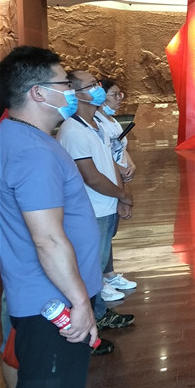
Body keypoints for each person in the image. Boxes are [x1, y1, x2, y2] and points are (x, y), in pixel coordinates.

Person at [0, 46, 104, 388]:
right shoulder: (35, 153)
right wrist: (80, 302)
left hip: (36, 293)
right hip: (53, 303)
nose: (71, 92)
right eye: (64, 84)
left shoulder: (11, 135)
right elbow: (47, 238)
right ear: (38, 93)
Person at [56, 69, 135, 341]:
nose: (98, 89)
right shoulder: (73, 131)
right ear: (76, 94)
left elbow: (109, 163)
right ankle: (89, 327)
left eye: (98, 84)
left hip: (106, 205)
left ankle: (99, 314)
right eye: (92, 85)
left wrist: (120, 196)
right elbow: (91, 177)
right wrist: (122, 195)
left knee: (96, 266)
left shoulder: (97, 125)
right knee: (89, 269)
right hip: (91, 209)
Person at [95, 78, 138, 294]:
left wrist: (130, 165)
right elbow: (103, 155)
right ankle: (99, 282)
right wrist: (120, 170)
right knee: (101, 234)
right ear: (102, 98)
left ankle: (109, 274)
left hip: (118, 180)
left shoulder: (112, 122)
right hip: (107, 183)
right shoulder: (96, 123)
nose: (119, 99)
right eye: (114, 95)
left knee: (109, 230)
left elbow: (120, 147)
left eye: (120, 94)